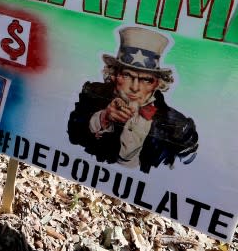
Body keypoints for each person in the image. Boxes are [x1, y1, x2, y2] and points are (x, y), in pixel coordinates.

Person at [66, 27, 198, 173]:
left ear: (158, 83)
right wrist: (104, 117)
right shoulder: (92, 93)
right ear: (114, 74)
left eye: (146, 80)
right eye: (127, 75)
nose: (135, 88)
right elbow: (74, 135)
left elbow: (181, 172)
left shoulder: (179, 126)